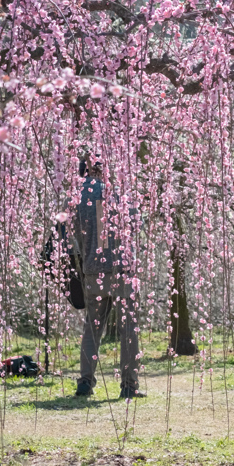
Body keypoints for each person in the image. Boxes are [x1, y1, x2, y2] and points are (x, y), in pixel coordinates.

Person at [73, 159, 144, 399]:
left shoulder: (79, 197)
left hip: (94, 269)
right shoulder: (121, 192)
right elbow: (136, 225)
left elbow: (74, 234)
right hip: (122, 268)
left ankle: (85, 382)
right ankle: (128, 385)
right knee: (128, 329)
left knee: (92, 327)